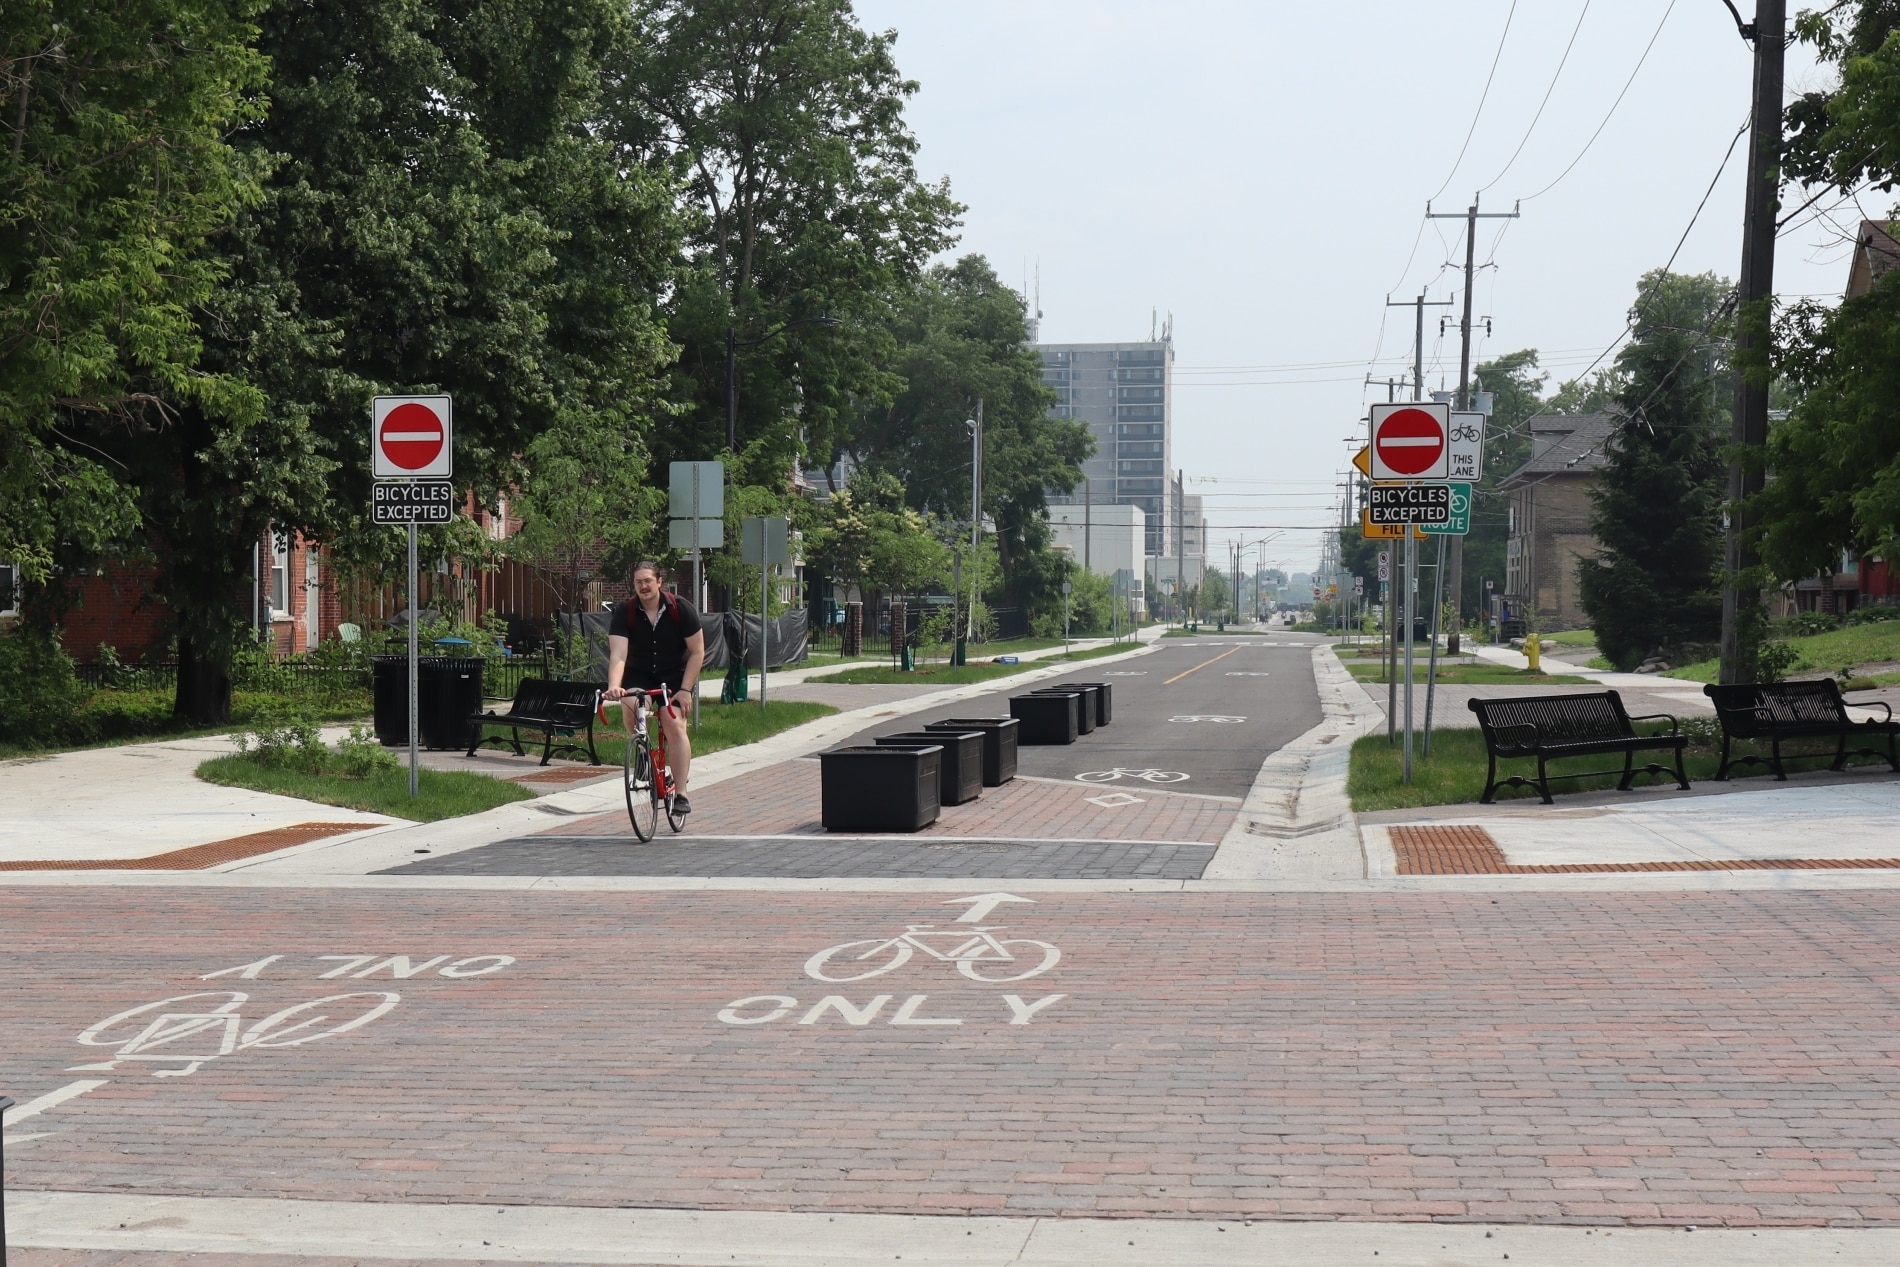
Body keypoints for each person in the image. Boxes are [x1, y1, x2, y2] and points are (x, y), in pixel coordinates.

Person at [603, 561, 705, 814]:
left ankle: (681, 793)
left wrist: (685, 689)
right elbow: (618, 655)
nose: (644, 586)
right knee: (631, 703)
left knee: (674, 723)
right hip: (639, 674)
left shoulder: (681, 609)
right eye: (639, 582)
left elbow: (697, 652)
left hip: (675, 676)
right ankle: (642, 751)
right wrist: (615, 686)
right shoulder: (624, 612)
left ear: (659, 581)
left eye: (648, 580)